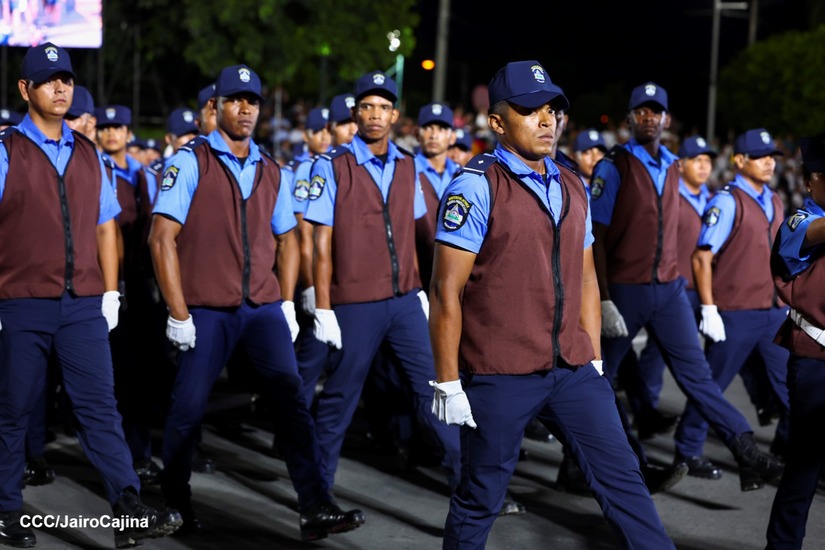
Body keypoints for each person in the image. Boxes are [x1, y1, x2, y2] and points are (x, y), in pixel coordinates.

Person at [430, 60, 674, 550]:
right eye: (529, 110)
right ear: (497, 122)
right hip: (500, 372)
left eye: (552, 109)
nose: (546, 120)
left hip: (572, 368)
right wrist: (449, 380)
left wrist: (594, 357)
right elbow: (445, 290)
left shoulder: (572, 182)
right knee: (481, 497)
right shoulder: (476, 185)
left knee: (624, 480)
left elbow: (585, 275)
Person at [149, 64, 364, 541]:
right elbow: (161, 239)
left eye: (253, 101)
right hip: (207, 307)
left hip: (262, 307)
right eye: (235, 100)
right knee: (188, 407)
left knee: (291, 401)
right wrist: (179, 312)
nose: (245, 109)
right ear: (216, 106)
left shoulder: (270, 168)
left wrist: (284, 302)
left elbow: (288, 238)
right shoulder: (191, 161)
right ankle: (175, 502)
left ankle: (315, 504)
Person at [0, 42, 181, 549]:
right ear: (25, 89)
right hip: (21, 299)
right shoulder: (6, 149)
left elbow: (106, 226)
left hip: (82, 302)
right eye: (48, 80)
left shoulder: (88, 153)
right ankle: (7, 508)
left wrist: (109, 290)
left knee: (100, 406)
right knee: (14, 409)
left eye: (66, 79)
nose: (60, 88)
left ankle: (127, 509)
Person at [590, 81, 785, 491]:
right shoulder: (614, 166)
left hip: (669, 288)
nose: (648, 118)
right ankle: (628, 467)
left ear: (666, 119)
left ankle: (746, 451)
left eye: (655, 111)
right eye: (641, 111)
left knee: (699, 377)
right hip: (625, 289)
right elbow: (597, 238)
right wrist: (603, 298)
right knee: (597, 382)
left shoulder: (672, 166)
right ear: (630, 118)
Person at [303, 70, 461, 491]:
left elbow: (419, 235)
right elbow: (321, 243)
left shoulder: (408, 166)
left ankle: (472, 487)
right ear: (356, 113)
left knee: (437, 388)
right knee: (341, 396)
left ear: (395, 114)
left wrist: (426, 290)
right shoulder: (332, 165)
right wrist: (323, 306)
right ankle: (317, 496)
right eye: (367, 106)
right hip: (355, 302)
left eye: (384, 107)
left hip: (405, 299)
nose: (375, 114)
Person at [674, 129, 790, 489]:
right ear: (740, 161)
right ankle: (688, 449)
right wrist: (709, 309)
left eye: (771, 156)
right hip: (735, 312)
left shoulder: (775, 199)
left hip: (772, 310)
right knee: (712, 385)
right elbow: (701, 257)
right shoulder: (727, 201)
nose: (768, 162)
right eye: (759, 156)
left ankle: (785, 451)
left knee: (792, 385)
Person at [766, 132, 825, 549]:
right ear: (808, 182)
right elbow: (808, 236)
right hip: (816, 360)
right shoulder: (799, 222)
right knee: (804, 468)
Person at [414, 102, 458, 292]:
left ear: (452, 136)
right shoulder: (405, 171)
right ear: (417, 134)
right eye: (428, 128)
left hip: (454, 275)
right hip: (416, 275)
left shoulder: (463, 175)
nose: (433, 135)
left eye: (441, 128)